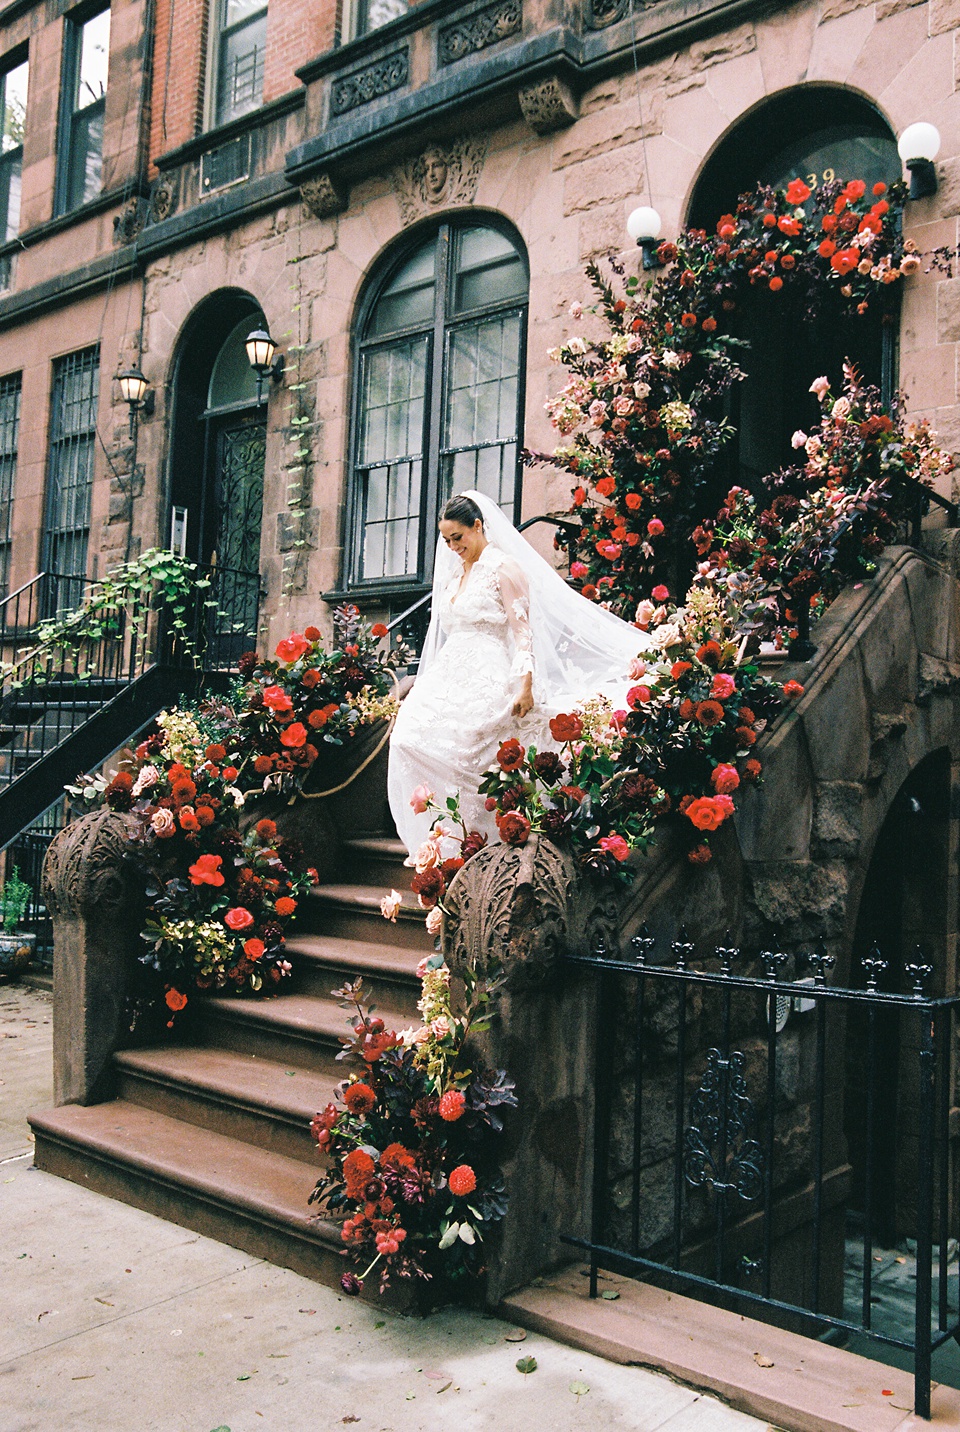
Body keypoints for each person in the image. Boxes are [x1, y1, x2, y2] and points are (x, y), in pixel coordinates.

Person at [387, 489, 652, 853]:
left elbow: (522, 631)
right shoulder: (454, 576)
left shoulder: (504, 568)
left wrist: (525, 683)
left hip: (489, 668)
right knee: (408, 740)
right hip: (449, 673)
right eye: (446, 540)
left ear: (478, 526)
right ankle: (445, 839)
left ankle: (477, 840)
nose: (452, 547)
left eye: (458, 537)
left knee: (469, 752)